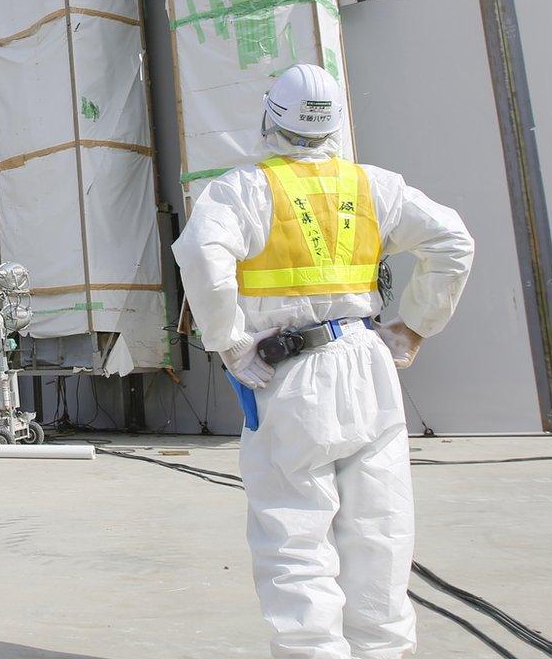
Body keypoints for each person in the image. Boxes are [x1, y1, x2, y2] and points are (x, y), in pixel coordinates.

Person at [173, 63, 474, 659]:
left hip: (292, 372)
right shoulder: (373, 186)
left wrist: (230, 341)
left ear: (269, 117)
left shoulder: (243, 188)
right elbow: (452, 242)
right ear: (336, 125)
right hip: (367, 360)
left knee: (294, 529)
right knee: (380, 530)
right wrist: (413, 326)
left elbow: (202, 255)